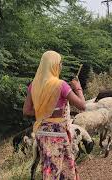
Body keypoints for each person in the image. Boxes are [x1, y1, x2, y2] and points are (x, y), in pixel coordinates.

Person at [23, 51, 85, 180]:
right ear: (54, 65)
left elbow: (27, 111)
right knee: (64, 167)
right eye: (60, 63)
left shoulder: (33, 86)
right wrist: (78, 88)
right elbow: (82, 106)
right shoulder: (61, 85)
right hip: (58, 134)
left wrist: (44, 111)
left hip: (41, 133)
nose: (61, 66)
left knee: (49, 167)